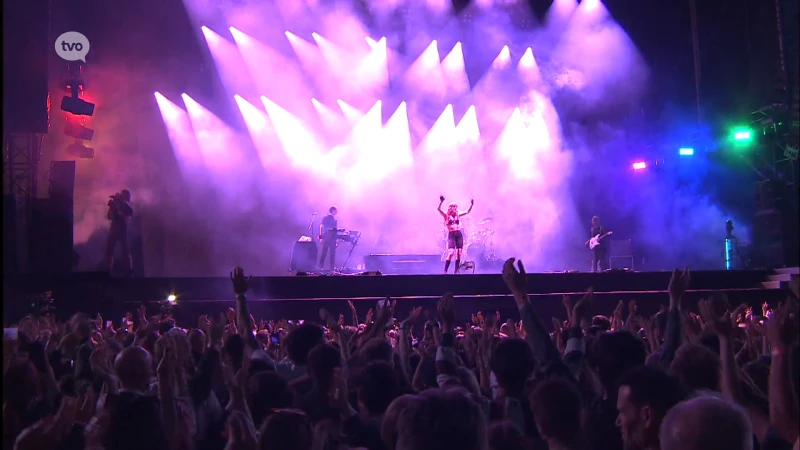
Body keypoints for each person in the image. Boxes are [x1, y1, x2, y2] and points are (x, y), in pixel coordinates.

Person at [438, 196, 473, 274]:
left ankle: (456, 271)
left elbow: (467, 211)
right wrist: (441, 202)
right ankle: (445, 271)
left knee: (459, 253)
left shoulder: (458, 214)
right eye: (453, 206)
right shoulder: (446, 215)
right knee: (451, 253)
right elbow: (439, 209)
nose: (454, 207)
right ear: (450, 207)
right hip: (452, 234)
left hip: (459, 234)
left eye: (455, 206)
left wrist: (471, 205)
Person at [105, 189, 133, 273]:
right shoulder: (117, 205)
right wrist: (112, 207)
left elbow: (126, 218)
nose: (121, 197)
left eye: (123, 195)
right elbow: (109, 217)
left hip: (122, 232)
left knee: (126, 251)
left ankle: (130, 271)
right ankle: (108, 271)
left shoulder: (128, 208)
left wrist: (118, 208)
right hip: (113, 231)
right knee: (109, 252)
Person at [318, 206, 338, 270]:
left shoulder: (335, 219)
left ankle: (332, 268)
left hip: (333, 238)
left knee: (333, 253)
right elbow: (321, 226)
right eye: (335, 210)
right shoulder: (326, 218)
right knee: (324, 252)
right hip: (326, 236)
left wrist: (337, 240)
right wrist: (321, 237)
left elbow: (335, 230)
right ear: (332, 211)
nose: (337, 212)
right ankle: (320, 267)